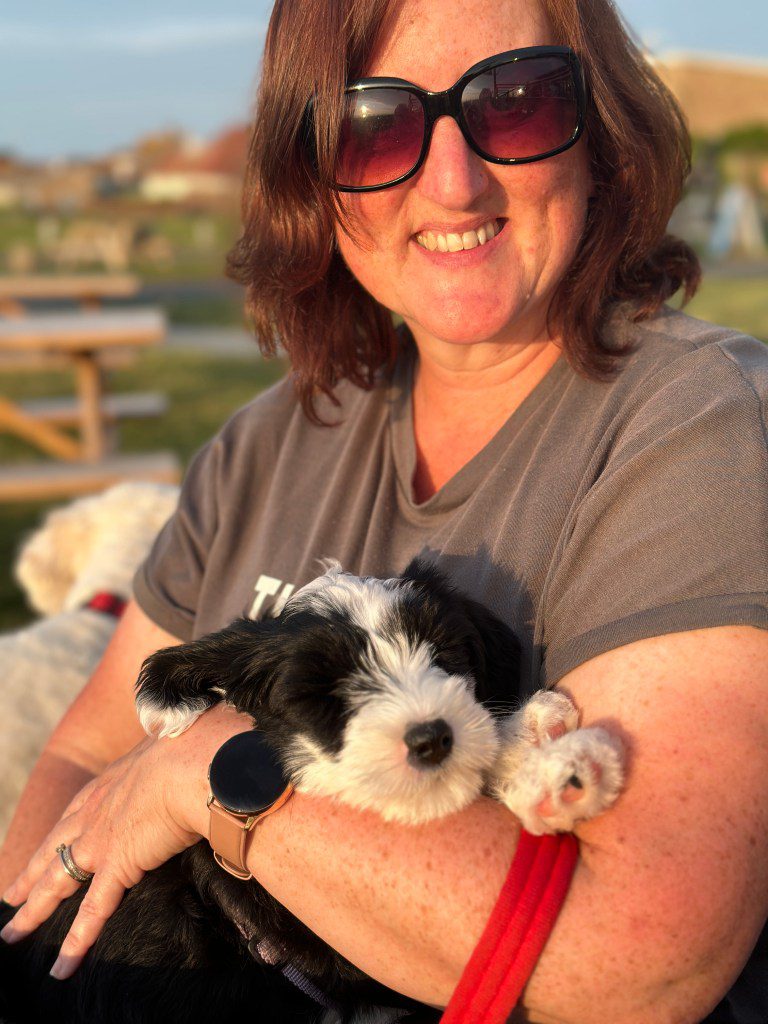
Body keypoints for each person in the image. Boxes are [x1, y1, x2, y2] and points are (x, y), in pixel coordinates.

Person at [1, 0, 767, 1019]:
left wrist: (212, 780)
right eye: (375, 125)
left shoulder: (696, 424)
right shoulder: (266, 443)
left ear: (603, 139)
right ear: (311, 180)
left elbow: (640, 963)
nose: (453, 180)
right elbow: (85, 757)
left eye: (519, 103)